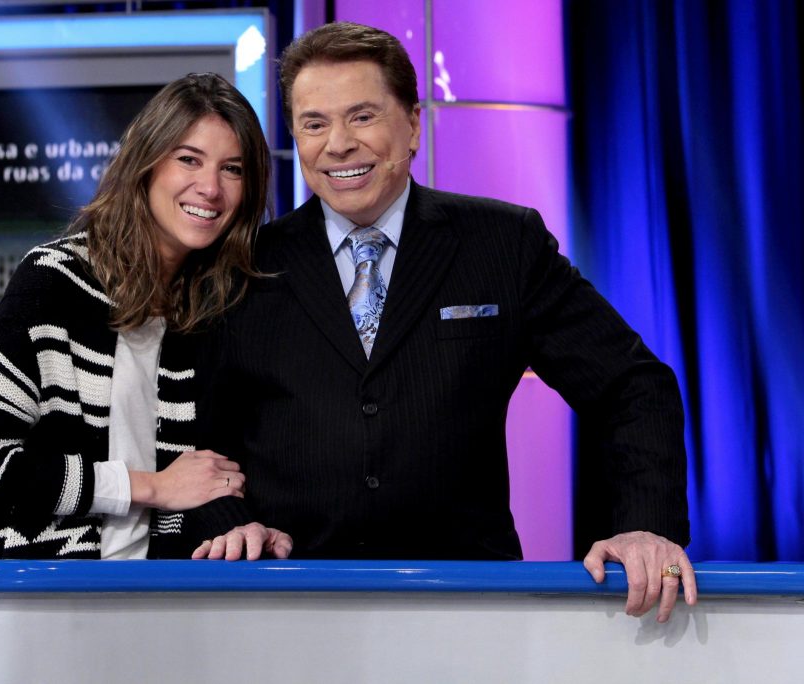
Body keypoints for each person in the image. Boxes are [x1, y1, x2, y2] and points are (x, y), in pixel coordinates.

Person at [186, 23, 696, 623]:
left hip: (470, 605)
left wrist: (645, 528)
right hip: (289, 602)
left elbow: (633, 387)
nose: (338, 144)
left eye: (363, 116)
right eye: (314, 123)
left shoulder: (503, 245)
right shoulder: (244, 265)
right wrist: (230, 523)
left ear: (413, 126)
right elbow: (196, 441)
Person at [0, 73, 291, 561]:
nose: (210, 188)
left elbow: (198, 481)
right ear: (146, 164)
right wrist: (149, 487)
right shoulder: (54, 281)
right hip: (32, 597)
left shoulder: (212, 308)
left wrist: (241, 525)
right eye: (188, 159)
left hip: (152, 601)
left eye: (232, 169)